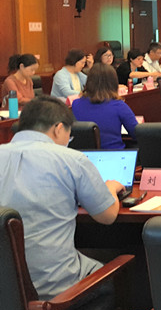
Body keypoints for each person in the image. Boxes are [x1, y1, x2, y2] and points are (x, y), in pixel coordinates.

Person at [0, 96, 121, 299]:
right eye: (69, 135)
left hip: (6, 295)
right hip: (56, 293)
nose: (67, 141)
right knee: (117, 272)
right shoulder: (72, 160)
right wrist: (111, 188)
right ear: (58, 128)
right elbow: (107, 216)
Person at [72, 64, 139, 150]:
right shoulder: (119, 106)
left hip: (84, 155)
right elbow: (137, 134)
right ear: (114, 83)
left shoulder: (75, 104)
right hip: (114, 155)